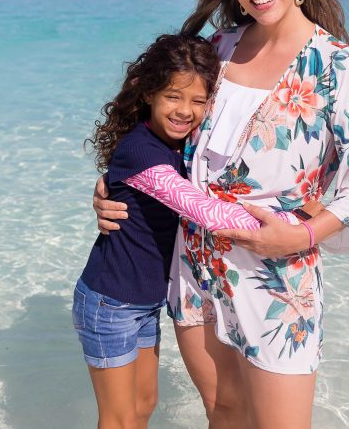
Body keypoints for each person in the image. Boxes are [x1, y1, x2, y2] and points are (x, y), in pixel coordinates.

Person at [93, 0, 349, 428]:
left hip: (279, 273)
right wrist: (111, 188)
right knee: (223, 412)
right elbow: (157, 130)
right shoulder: (219, 49)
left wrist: (304, 237)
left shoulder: (337, 65)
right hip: (195, 263)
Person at [74, 33, 298, 429]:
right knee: (119, 419)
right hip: (110, 302)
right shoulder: (141, 151)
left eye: (198, 101)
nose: (184, 111)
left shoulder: (179, 146)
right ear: (148, 94)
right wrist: (297, 228)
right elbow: (203, 210)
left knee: (144, 405)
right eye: (173, 97)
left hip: (144, 301)